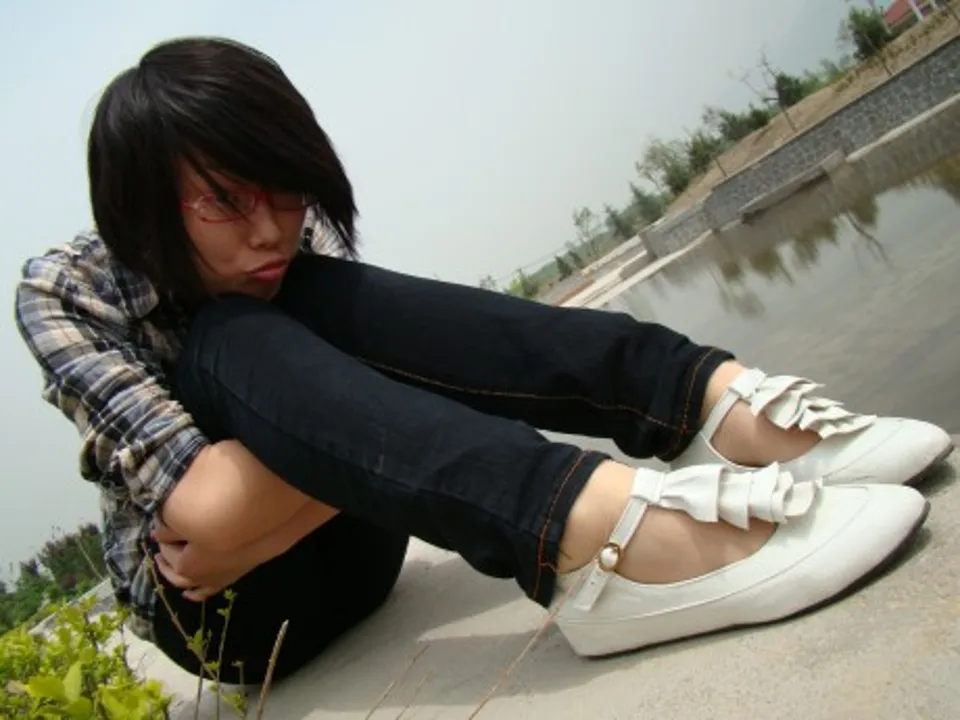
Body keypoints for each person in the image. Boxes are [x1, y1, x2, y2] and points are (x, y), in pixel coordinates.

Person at [14, 36, 952, 685]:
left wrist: (263, 516)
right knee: (231, 335)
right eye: (224, 200)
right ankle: (593, 539)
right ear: (144, 204)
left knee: (317, 296)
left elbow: (292, 479)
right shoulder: (68, 290)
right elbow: (208, 511)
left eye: (286, 191)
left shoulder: (292, 257)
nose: (270, 229)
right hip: (237, 621)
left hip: (357, 545)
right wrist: (288, 494)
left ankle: (708, 403)